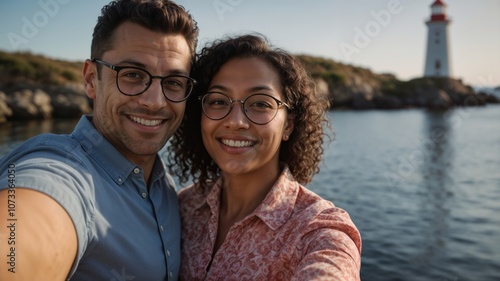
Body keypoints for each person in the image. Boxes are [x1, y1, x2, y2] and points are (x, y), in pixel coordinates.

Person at [0, 0, 198, 280]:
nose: (155, 102)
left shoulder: (163, 186)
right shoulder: (60, 171)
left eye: (174, 82)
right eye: (132, 75)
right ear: (92, 79)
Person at [167, 34, 362, 280]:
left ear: (289, 126)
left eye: (260, 104)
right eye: (218, 101)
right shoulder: (184, 205)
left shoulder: (318, 230)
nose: (235, 121)